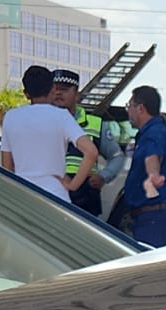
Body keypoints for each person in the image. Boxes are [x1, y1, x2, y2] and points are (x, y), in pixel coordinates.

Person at [0, 65, 98, 204]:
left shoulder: (10, 117)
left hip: (23, 197)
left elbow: (7, 168)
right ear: (52, 89)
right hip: (56, 196)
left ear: (26, 93)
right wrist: (73, 185)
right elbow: (91, 152)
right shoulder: (62, 116)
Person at [47, 68, 125, 219]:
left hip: (84, 197)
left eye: (63, 90)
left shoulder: (94, 123)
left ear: (77, 95)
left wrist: (103, 176)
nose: (58, 93)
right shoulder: (41, 121)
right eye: (54, 89)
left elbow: (117, 156)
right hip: (52, 190)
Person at [122, 85, 166, 247]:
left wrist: (153, 174)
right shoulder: (161, 132)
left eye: (129, 106)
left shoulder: (153, 133)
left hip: (152, 218)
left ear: (140, 108)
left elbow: (152, 157)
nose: (128, 111)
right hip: (155, 216)